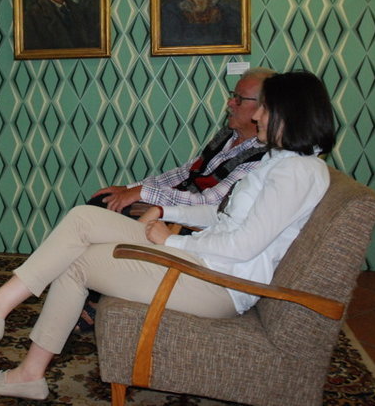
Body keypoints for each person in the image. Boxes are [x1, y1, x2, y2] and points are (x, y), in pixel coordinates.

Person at [0, 70, 335, 400]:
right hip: (202, 260)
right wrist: (166, 211)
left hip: (218, 283)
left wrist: (170, 240)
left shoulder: (296, 172)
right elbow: (223, 213)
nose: (257, 115)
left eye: (264, 107)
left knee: (79, 263)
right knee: (83, 218)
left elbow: (244, 245)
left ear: (288, 112)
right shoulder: (281, 161)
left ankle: (28, 372)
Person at [76, 66, 274, 331]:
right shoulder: (229, 136)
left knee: (104, 213)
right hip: (175, 206)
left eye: (239, 99)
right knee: (103, 201)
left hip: (190, 222)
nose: (230, 103)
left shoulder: (262, 157)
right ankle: (88, 292)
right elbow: (185, 172)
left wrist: (145, 195)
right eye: (232, 95)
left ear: (265, 108)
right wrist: (129, 188)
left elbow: (212, 202)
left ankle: (93, 297)